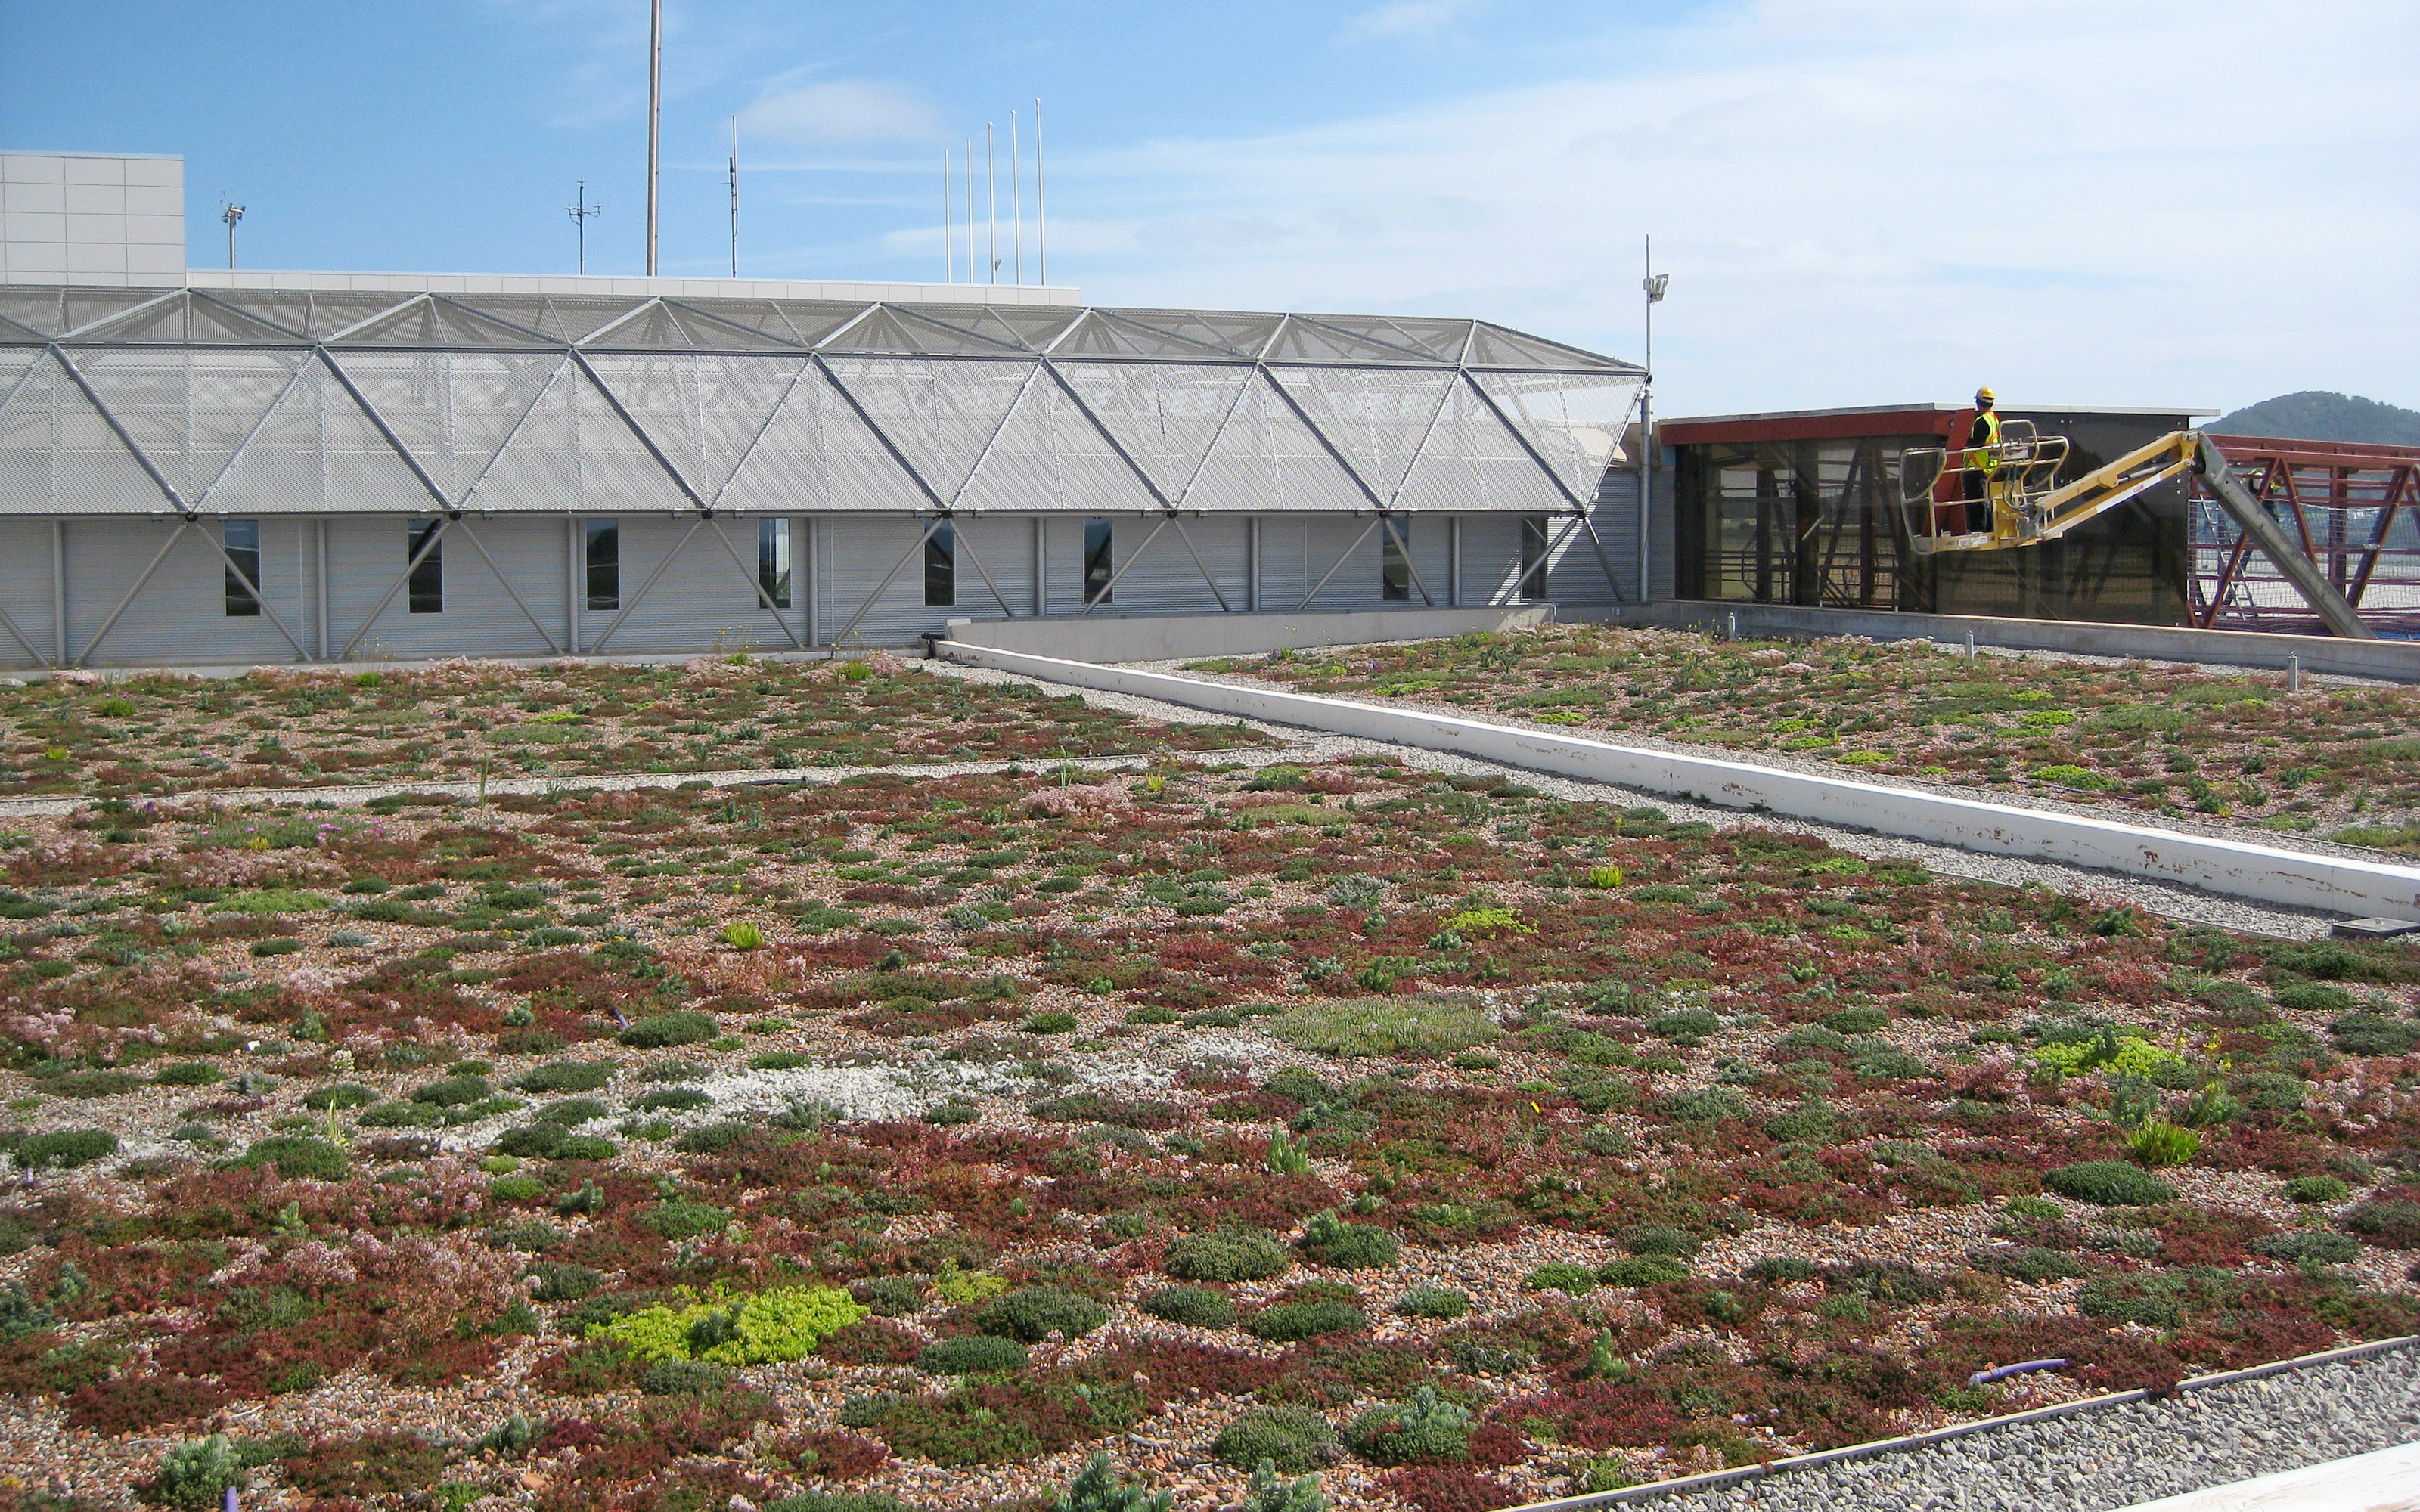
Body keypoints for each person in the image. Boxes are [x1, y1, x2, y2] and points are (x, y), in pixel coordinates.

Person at [1962, 386, 2001, 534]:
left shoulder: (1981, 421)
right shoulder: (1993, 419)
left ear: (1978, 402)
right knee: (1983, 499)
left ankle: (1978, 529)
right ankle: (1988, 527)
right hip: (1987, 466)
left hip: (1977, 467)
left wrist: (1963, 440)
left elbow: (1977, 443)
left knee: (1976, 500)